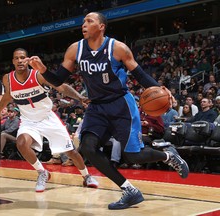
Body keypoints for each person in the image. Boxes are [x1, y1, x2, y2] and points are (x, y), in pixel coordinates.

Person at [27, 12, 189, 210]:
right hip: (97, 107)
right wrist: (43, 70)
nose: (83, 25)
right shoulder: (75, 49)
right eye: (83, 22)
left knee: (134, 156)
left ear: (101, 26)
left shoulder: (118, 48)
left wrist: (162, 89)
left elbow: (139, 74)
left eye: (89, 21)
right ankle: (129, 190)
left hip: (121, 105)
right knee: (87, 147)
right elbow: (58, 80)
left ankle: (168, 156)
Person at [0, 48, 98, 192]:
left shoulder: (38, 75)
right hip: (28, 120)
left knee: (71, 152)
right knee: (21, 143)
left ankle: (86, 176)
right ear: (13, 61)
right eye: (17, 58)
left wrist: (80, 97)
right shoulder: (7, 78)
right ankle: (42, 173)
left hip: (47, 118)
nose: (20, 60)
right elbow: (8, 96)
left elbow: (61, 87)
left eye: (23, 57)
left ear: (27, 59)